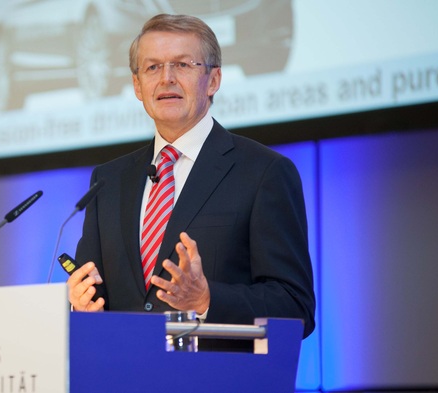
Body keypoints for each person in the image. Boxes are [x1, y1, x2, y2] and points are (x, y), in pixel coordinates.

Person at [68, 14, 315, 346]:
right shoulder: (108, 181)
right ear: (137, 86)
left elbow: (296, 308)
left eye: (182, 65)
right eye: (152, 67)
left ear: (213, 80)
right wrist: (80, 305)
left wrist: (206, 299)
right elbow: (94, 291)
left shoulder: (264, 173)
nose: (166, 78)